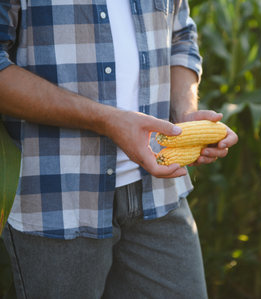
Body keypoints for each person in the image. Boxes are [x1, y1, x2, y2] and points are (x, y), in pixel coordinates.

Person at [0, 0, 238, 298]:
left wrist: (185, 117)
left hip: (159, 194)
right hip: (58, 202)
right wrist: (107, 120)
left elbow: (180, 37)